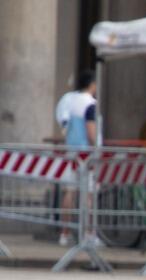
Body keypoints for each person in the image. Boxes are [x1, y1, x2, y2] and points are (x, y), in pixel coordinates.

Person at [54, 70, 98, 246]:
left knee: (69, 192)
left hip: (71, 151)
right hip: (86, 153)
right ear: (92, 84)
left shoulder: (70, 101)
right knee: (88, 194)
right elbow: (91, 131)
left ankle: (64, 233)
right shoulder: (90, 104)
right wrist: (98, 147)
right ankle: (88, 233)